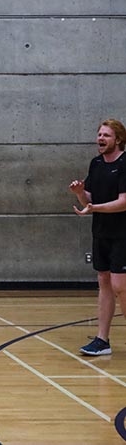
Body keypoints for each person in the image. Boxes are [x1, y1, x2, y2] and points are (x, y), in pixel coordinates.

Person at [70, 118, 126, 356]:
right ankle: (102, 340)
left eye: (106, 135)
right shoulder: (96, 163)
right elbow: (89, 202)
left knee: (120, 286)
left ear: (119, 140)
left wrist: (94, 208)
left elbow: (124, 202)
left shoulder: (125, 164)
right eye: (99, 135)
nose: (100, 139)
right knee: (104, 282)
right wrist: (81, 192)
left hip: (123, 233)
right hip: (101, 232)